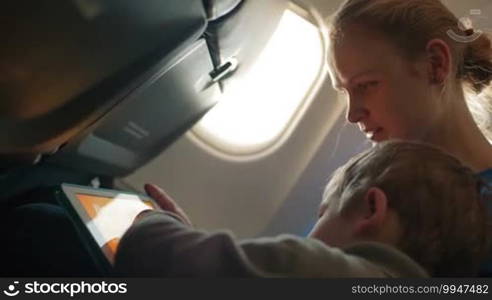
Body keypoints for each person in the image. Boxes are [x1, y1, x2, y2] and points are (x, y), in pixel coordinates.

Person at [114, 141, 490, 277]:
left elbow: (157, 258)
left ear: (371, 210)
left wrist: (155, 222)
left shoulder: (323, 270)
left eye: (324, 213)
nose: (314, 229)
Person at [324, 0, 492, 274]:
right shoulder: (363, 193)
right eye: (344, 91)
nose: (352, 114)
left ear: (435, 65)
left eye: (366, 85)